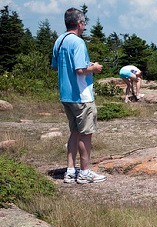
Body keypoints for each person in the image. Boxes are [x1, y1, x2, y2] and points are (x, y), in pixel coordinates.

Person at [51, 7, 106, 184]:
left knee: (74, 132)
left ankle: (70, 170)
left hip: (66, 94)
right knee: (86, 134)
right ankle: (84, 172)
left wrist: (84, 65)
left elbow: (56, 66)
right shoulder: (78, 42)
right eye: (84, 23)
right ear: (80, 23)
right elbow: (80, 70)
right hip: (81, 95)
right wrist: (94, 68)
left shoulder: (59, 41)